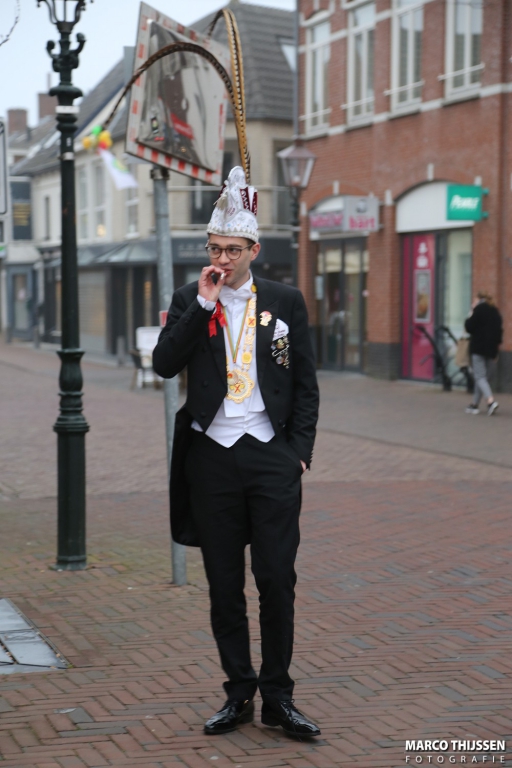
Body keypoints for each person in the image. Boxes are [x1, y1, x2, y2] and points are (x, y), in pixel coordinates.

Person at [153, 167, 320, 738]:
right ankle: (238, 692)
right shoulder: (190, 298)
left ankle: (278, 696)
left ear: (253, 250)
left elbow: (305, 383)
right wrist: (203, 305)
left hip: (271, 456)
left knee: (275, 579)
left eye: (232, 250)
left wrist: (299, 452)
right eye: (214, 249)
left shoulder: (285, 302)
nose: (221, 259)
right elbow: (163, 365)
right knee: (224, 586)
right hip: (211, 459)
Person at [464, 291, 503, 415]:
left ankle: (491, 402)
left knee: (480, 377)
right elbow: (499, 331)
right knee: (481, 377)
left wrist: (471, 313)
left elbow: (469, 327)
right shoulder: (495, 311)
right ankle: (474, 405)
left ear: (479, 299)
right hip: (491, 349)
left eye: (474, 300)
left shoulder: (478, 310)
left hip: (478, 348)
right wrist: (496, 350)